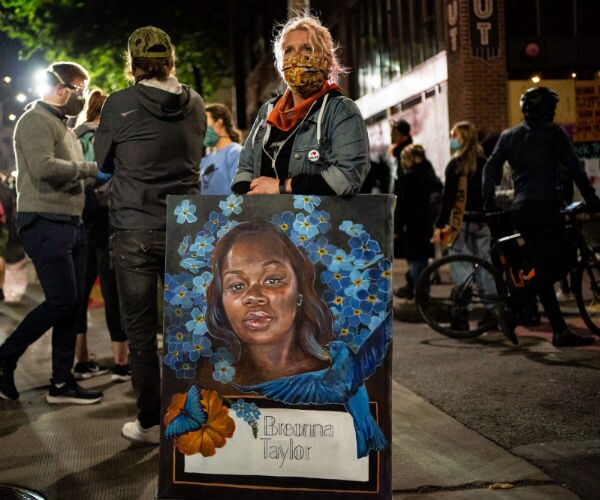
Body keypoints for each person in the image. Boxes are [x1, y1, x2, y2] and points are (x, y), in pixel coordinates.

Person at [94, 26, 206, 444]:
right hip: (185, 228)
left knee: (140, 335)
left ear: (133, 65)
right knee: (187, 330)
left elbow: (102, 162)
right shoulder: (195, 103)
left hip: (133, 227)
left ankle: (150, 423)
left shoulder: (118, 104)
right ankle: (190, 418)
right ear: (171, 62)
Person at [0, 62, 106, 404]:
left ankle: (61, 383)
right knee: (61, 300)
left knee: (72, 305)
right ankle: (5, 356)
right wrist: (91, 170)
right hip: (45, 221)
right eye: (81, 88)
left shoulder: (63, 126)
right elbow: (44, 168)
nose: (83, 95)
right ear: (63, 87)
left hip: (70, 222)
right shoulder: (34, 121)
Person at [483, 86, 600, 347]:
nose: (555, 112)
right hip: (546, 207)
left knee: (542, 268)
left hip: (522, 210)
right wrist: (592, 200)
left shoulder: (509, 136)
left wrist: (488, 203)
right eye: (552, 108)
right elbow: (574, 168)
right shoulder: (553, 133)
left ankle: (559, 330)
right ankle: (513, 309)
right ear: (545, 109)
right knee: (563, 261)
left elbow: (490, 168)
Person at [231, 13, 370, 196]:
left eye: (307, 49)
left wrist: (282, 186)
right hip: (264, 221)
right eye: (289, 50)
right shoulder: (268, 111)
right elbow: (245, 170)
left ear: (326, 60)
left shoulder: (341, 111)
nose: (297, 57)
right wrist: (249, 198)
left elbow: (347, 177)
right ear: (280, 64)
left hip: (316, 222)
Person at [205, 220, 333, 385]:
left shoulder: (339, 375)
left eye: (272, 280)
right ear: (220, 300)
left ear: (299, 289)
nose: (253, 296)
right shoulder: (210, 380)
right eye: (237, 285)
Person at [431, 121, 510, 339]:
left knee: (461, 269)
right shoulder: (486, 162)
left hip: (461, 223)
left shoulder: (456, 165)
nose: (452, 139)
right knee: (485, 268)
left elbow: (448, 200)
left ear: (462, 138)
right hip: (482, 223)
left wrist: (439, 225)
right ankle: (492, 313)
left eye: (454, 135)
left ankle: (461, 319)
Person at [73, 89, 130, 383]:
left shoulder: (74, 136)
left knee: (80, 290)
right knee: (112, 288)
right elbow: (107, 172)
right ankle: (121, 362)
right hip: (107, 214)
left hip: (81, 215)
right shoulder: (105, 136)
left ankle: (81, 359)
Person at [392, 145, 436, 300]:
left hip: (411, 226)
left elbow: (401, 207)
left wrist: (396, 228)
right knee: (422, 260)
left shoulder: (407, 179)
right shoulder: (429, 175)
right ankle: (423, 290)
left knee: (415, 260)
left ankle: (419, 294)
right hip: (426, 222)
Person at [199, 103, 242, 195]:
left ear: (219, 123)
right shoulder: (205, 160)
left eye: (205, 123)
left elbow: (240, 195)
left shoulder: (236, 153)